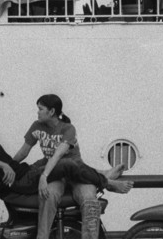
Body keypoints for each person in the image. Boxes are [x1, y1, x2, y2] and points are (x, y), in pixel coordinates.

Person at [0, 99, 131, 198]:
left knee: (53, 160)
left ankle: (101, 173)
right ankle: (107, 183)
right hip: (21, 181)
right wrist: (4, 165)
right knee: (67, 164)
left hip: (23, 173)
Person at [12, 94, 117, 239]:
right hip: (54, 173)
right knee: (47, 195)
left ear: (51, 111)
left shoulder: (68, 128)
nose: (37, 112)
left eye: (41, 109)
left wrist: (44, 176)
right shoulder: (37, 126)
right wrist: (7, 166)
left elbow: (58, 155)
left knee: (89, 198)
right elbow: (23, 152)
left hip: (76, 173)